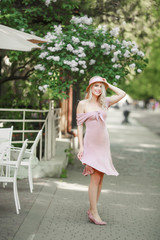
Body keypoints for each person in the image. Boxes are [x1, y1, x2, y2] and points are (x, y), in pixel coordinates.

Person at [76, 76, 126, 225]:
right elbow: (79, 126)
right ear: (90, 87)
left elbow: (122, 94)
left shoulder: (105, 102)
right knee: (95, 177)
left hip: (104, 143)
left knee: (101, 177)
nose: (98, 88)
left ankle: (92, 209)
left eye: (100, 86)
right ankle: (94, 213)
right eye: (95, 85)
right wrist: (81, 147)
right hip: (91, 144)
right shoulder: (83, 104)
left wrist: (108, 84)